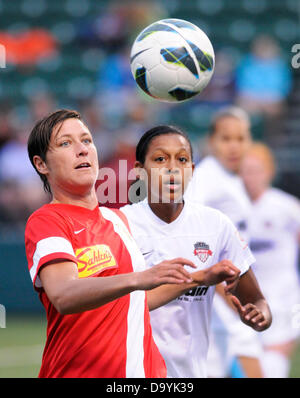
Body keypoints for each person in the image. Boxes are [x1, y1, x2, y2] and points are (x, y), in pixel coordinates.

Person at [24, 109, 242, 378]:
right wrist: (139, 278)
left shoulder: (116, 220)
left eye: (86, 140)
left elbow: (136, 301)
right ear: (41, 164)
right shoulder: (47, 220)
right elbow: (64, 294)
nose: (81, 150)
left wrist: (200, 277)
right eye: (65, 143)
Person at [120, 124, 272, 378]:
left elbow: (257, 300)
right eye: (160, 159)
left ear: (191, 171)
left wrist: (259, 316)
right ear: (139, 171)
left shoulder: (216, 225)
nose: (172, 168)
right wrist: (201, 277)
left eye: (181, 159)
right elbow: (116, 307)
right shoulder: (120, 225)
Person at [184, 106, 264, 378]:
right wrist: (224, 289)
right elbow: (190, 232)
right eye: (226, 139)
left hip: (230, 297)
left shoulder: (231, 179)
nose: (234, 146)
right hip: (217, 302)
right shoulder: (206, 178)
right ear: (211, 141)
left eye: (240, 139)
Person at [240, 142, 300, 378]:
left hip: (283, 300)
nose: (250, 177)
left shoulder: (287, 207)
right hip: (245, 302)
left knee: (273, 367)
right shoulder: (231, 208)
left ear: (269, 172)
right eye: (246, 171)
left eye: (256, 171)